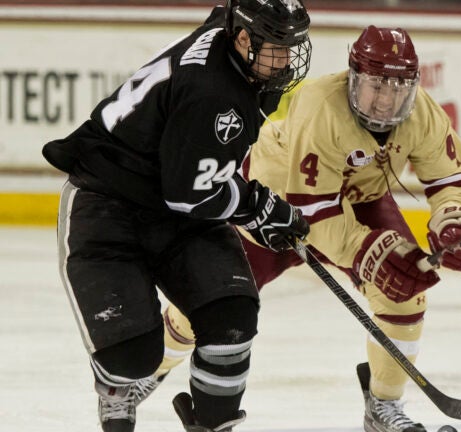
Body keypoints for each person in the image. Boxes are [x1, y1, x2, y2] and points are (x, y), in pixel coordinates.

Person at [159, 25, 461, 432]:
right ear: (353, 76)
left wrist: (456, 220)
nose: (386, 100)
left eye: (398, 88)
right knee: (210, 303)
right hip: (274, 205)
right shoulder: (321, 105)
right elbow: (312, 210)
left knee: (405, 293)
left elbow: (456, 177)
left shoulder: (421, 114)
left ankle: (383, 406)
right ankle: (148, 368)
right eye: (376, 85)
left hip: (357, 200)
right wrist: (370, 253)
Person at [41, 1, 312, 431]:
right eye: (277, 47)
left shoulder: (229, 35)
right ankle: (115, 389)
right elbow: (191, 195)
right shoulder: (214, 95)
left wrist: (255, 207)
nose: (286, 59)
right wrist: (258, 207)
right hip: (108, 201)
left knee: (232, 318)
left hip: (177, 197)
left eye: (291, 46)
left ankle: (211, 423)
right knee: (132, 357)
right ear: (243, 38)